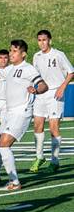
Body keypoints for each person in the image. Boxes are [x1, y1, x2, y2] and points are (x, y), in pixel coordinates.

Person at [0, 40, 48, 191]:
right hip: (9, 113)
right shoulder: (9, 69)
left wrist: (37, 90)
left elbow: (43, 85)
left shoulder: (28, 69)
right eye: (10, 51)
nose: (11, 54)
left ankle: (14, 182)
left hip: (21, 113)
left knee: (3, 144)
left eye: (14, 51)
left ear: (23, 54)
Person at [29, 30, 73, 173]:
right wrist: (32, 87)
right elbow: (34, 76)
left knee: (53, 127)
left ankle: (55, 161)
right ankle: (39, 157)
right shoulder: (36, 56)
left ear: (50, 41)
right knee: (37, 125)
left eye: (44, 40)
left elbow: (71, 72)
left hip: (55, 94)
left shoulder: (58, 54)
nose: (42, 42)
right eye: (39, 40)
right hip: (41, 94)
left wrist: (62, 87)